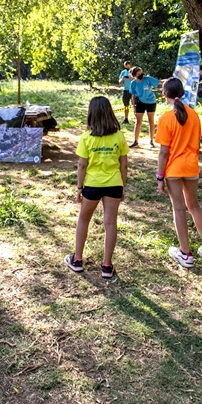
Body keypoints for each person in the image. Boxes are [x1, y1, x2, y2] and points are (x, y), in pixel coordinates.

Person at [156, 77, 202, 267]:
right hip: (191, 167)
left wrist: (159, 176)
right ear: (182, 93)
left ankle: (185, 252)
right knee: (194, 206)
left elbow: (163, 152)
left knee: (179, 209)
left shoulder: (166, 118)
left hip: (173, 169)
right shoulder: (194, 115)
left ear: (164, 94)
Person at [66, 96, 128, 280]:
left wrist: (79, 187)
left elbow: (81, 165)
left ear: (91, 114)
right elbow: (124, 165)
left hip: (92, 185)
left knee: (83, 219)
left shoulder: (86, 137)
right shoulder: (119, 136)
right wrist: (122, 186)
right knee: (111, 223)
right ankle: (107, 265)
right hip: (114, 184)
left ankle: (77, 260)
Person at [128, 66, 159, 147]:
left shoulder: (148, 79)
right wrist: (134, 107)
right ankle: (135, 141)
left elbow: (159, 82)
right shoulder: (133, 83)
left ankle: (151, 141)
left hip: (151, 102)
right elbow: (133, 95)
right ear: (134, 75)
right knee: (138, 122)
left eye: (141, 73)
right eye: (138, 74)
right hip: (140, 102)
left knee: (151, 121)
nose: (141, 75)